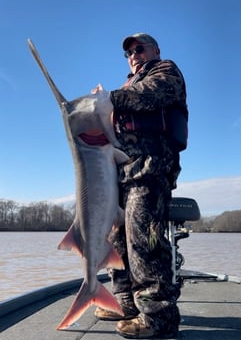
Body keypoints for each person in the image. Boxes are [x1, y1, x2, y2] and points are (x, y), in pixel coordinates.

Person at [95, 33, 188, 339]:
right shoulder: (123, 88)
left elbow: (153, 94)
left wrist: (110, 98)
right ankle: (124, 302)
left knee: (143, 240)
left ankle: (158, 314)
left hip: (151, 171)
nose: (133, 55)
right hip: (121, 176)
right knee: (116, 240)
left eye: (139, 49)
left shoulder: (165, 71)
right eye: (128, 53)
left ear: (154, 50)